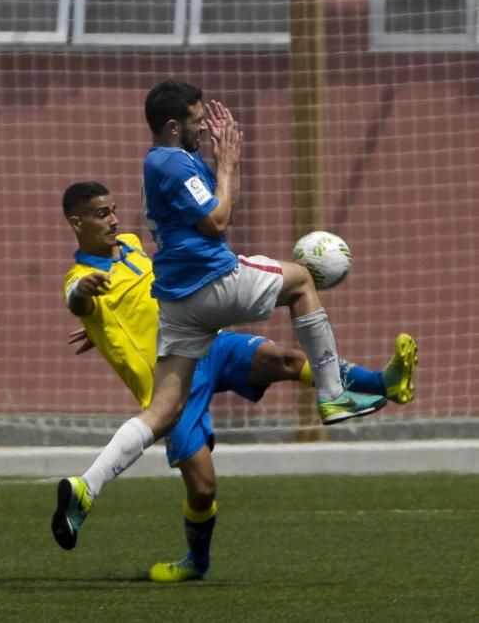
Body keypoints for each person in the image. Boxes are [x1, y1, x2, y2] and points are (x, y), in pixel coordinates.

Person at [52, 180, 418, 582]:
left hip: (205, 343)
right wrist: (88, 305)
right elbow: (77, 298)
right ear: (76, 222)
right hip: (173, 380)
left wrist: (105, 326)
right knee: (204, 489)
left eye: (113, 210)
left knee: (284, 358)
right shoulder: (80, 275)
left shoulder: (131, 244)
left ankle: (386, 382)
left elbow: (153, 291)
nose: (114, 219)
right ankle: (196, 562)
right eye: (101, 214)